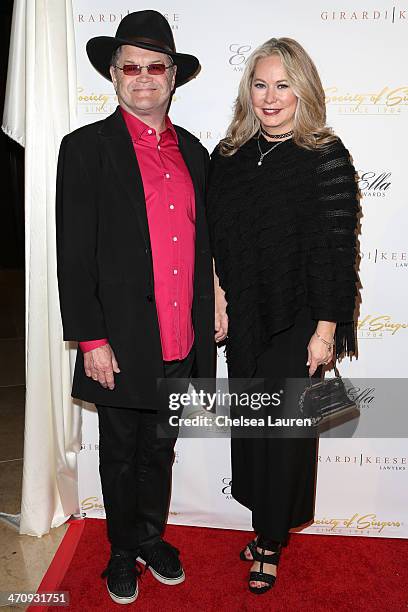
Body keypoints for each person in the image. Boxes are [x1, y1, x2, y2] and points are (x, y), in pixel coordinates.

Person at [56, 10, 215, 605]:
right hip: (119, 339)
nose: (143, 77)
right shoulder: (85, 149)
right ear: (114, 75)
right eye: (131, 67)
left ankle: (151, 538)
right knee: (121, 451)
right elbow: (73, 255)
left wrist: (213, 307)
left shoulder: (195, 152)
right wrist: (92, 338)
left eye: (155, 66)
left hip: (181, 334)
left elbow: (206, 243)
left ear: (173, 76)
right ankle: (122, 550)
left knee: (161, 446)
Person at [207, 37, 359, 594]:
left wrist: (326, 331)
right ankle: (263, 524)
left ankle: (269, 542)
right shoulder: (228, 157)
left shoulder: (324, 154)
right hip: (246, 317)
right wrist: (220, 297)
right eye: (261, 83)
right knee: (251, 431)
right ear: (248, 91)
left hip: (298, 321)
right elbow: (216, 241)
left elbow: (337, 249)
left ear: (303, 91)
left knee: (286, 436)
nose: (270, 97)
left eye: (283, 85)